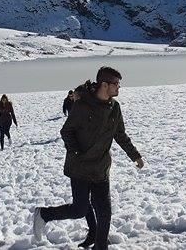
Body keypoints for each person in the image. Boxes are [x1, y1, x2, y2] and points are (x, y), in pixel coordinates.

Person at [32, 67, 144, 249]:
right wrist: (77, 153)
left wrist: (135, 155)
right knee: (79, 210)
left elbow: (120, 135)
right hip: (80, 168)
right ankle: (43, 215)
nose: (119, 88)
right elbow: (67, 131)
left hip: (100, 168)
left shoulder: (115, 108)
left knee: (104, 213)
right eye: (116, 84)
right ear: (105, 85)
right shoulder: (83, 105)